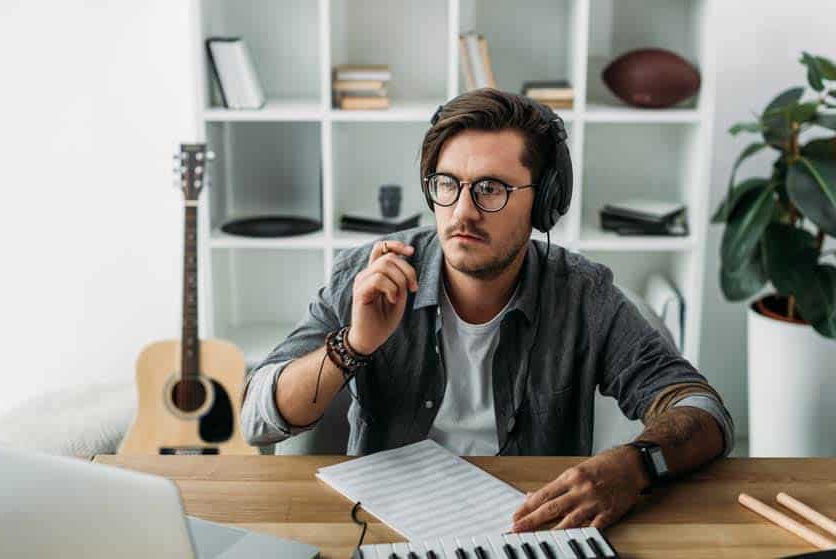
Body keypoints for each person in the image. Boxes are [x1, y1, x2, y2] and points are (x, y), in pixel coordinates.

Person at [241, 88, 734, 531]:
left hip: (530, 528)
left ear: (544, 205)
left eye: (491, 189)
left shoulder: (583, 296)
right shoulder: (370, 274)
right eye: (447, 184)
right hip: (384, 528)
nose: (463, 212)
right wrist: (354, 344)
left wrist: (636, 465)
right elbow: (258, 418)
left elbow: (704, 412)